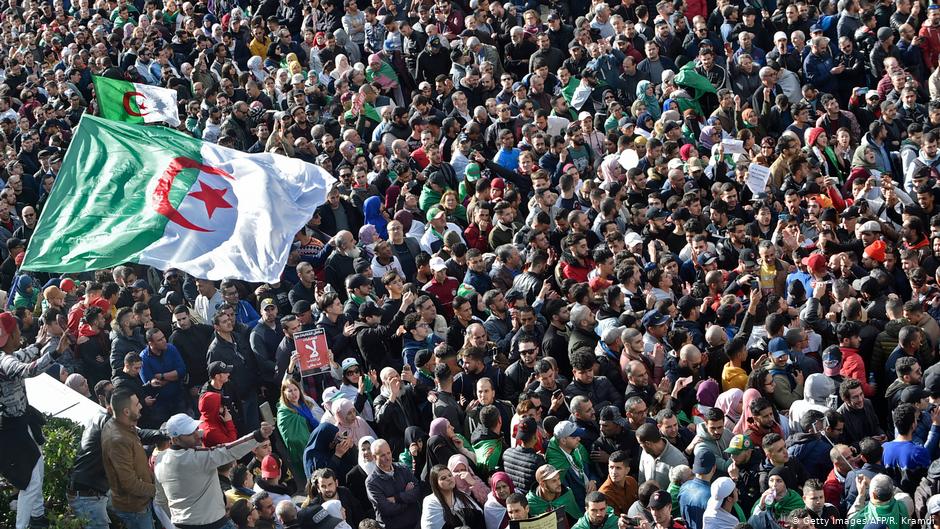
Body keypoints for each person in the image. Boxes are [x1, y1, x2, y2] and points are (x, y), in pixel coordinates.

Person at [153, 414, 276, 529]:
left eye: (196, 429)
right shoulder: (196, 457)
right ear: (175, 439)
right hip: (213, 524)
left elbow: (161, 500)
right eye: (190, 433)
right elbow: (229, 451)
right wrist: (258, 435)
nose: (197, 434)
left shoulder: (159, 459)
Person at [101, 390, 156, 529]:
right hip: (135, 509)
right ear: (126, 411)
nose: (141, 406)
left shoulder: (122, 425)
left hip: (140, 504)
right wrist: (159, 490)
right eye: (137, 404)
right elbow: (129, 483)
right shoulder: (118, 440)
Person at [365, 438, 423, 529]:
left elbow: (417, 492)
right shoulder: (372, 482)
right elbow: (386, 509)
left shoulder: (403, 468)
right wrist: (407, 498)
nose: (388, 458)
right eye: (383, 455)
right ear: (374, 457)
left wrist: (397, 498)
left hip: (416, 523)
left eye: (388, 453)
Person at [420, 463, 485, 528]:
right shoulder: (431, 501)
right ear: (436, 483)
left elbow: (479, 518)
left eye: (450, 475)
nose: (449, 479)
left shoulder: (463, 496)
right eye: (443, 478)